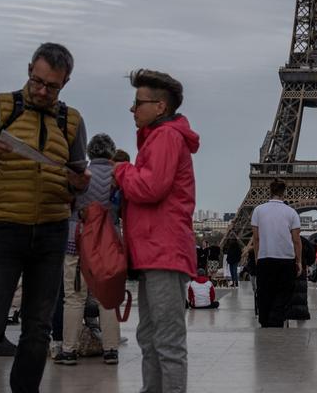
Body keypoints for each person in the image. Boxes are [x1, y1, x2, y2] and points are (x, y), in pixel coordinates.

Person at [0, 43, 90, 393]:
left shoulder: (72, 122)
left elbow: (77, 188)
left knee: (38, 329)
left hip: (52, 232)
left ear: (65, 82)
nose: (41, 90)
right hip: (4, 229)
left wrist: (77, 184)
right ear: (29, 69)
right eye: (36, 80)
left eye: (51, 86)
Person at [112, 68, 199, 393]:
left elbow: (151, 187)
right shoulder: (159, 137)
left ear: (160, 106)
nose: (133, 109)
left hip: (164, 252)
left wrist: (122, 170)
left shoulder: (165, 137)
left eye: (138, 102)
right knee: (150, 337)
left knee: (165, 341)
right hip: (155, 252)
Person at [55, 132, 123, 366]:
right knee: (108, 299)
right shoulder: (118, 175)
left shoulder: (80, 175)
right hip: (107, 244)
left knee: (73, 298)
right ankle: (111, 349)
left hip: (77, 241)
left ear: (89, 153)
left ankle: (68, 350)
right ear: (111, 153)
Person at [251, 179, 302, 328]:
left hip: (265, 259)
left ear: (270, 191)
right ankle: (277, 320)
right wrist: (298, 261)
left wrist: (257, 258)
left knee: (264, 293)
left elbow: (256, 238)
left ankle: (265, 321)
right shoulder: (291, 212)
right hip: (286, 260)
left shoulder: (258, 210)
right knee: (284, 293)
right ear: (283, 192)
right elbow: (297, 240)